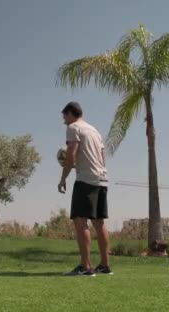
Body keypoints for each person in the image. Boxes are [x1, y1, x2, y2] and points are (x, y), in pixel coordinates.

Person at [58, 102, 113, 276]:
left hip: (86, 180)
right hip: (101, 179)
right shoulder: (94, 131)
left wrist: (63, 178)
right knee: (99, 222)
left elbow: (71, 153)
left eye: (64, 117)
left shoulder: (73, 128)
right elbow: (102, 156)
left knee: (80, 222)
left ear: (70, 114)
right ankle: (104, 266)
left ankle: (85, 267)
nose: (64, 121)